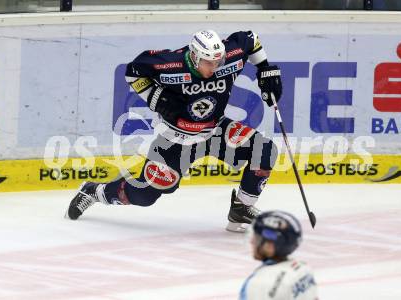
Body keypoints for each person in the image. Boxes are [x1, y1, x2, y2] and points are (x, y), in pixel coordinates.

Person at [65, 30, 282, 232]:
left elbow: (251, 39)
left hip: (214, 130)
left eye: (219, 61)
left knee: (264, 150)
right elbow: (133, 72)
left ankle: (241, 209)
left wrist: (264, 68)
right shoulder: (170, 64)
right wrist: (156, 98)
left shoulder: (230, 57)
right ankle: (94, 191)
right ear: (195, 57)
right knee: (144, 196)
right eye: (208, 62)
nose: (215, 67)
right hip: (175, 140)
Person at [240, 211, 318, 299]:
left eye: (257, 238)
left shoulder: (259, 284)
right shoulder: (303, 269)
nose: (252, 241)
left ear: (269, 246)